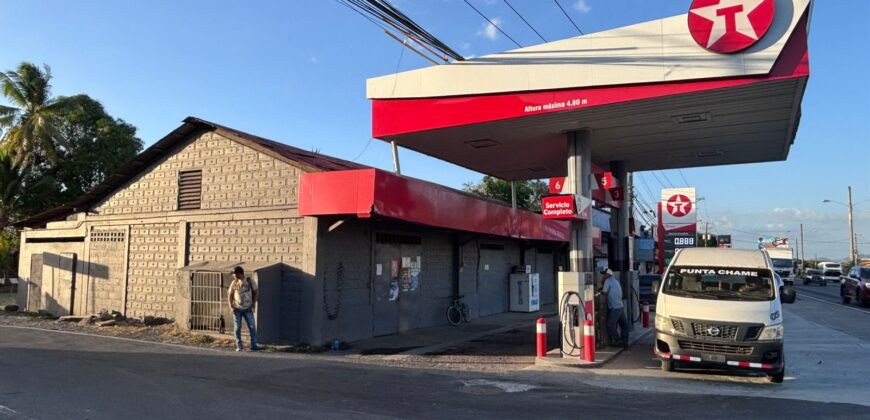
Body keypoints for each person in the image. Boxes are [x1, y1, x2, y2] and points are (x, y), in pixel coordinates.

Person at [227, 266, 260, 352]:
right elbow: (230, 295)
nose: (234, 276)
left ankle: (254, 345)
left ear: (239, 274)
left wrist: (253, 303)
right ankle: (239, 346)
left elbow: (256, 292)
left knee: (252, 326)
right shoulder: (234, 283)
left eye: (234, 274)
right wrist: (231, 306)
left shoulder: (249, 281)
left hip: (248, 308)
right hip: (237, 309)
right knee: (237, 328)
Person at [601, 268, 629, 348]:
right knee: (623, 324)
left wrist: (602, 281)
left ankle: (617, 340)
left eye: (604, 274)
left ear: (608, 274)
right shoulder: (616, 281)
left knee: (610, 324)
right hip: (620, 306)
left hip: (614, 307)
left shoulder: (608, 281)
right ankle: (625, 340)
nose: (603, 275)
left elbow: (604, 292)